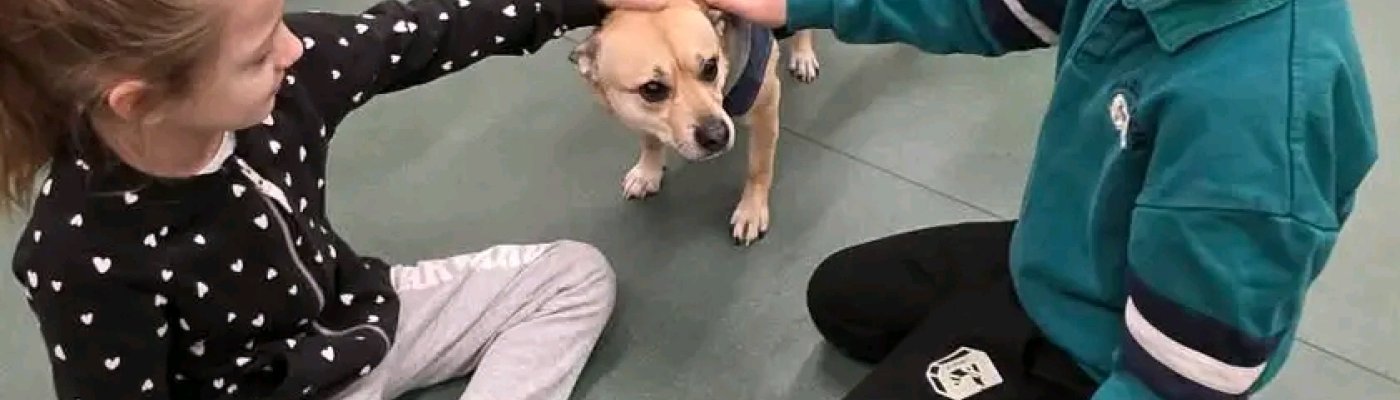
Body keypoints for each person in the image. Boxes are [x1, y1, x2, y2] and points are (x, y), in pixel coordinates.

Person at [704, 0, 1378, 399]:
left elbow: (1180, 383)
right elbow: (992, 8)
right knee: (844, 298)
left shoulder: (1259, 119)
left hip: (1106, 352)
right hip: (1068, 246)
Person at [0, 0, 664, 398]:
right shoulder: (80, 254)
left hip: (360, 318)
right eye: (257, 55)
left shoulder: (290, 79)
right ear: (141, 101)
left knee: (574, 277)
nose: (293, 48)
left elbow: (416, 32)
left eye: (279, 21)